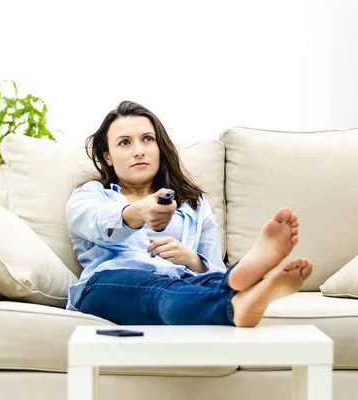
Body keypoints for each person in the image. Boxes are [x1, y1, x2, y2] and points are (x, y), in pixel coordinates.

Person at [65, 100, 312, 327]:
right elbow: (96, 222)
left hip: (181, 282)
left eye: (148, 139)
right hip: (106, 285)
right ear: (107, 156)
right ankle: (237, 298)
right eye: (125, 142)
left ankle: (244, 295)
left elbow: (212, 265)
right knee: (159, 293)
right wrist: (141, 211)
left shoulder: (191, 203)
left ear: (159, 147)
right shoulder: (90, 195)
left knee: (207, 283)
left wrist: (191, 260)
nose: (139, 150)